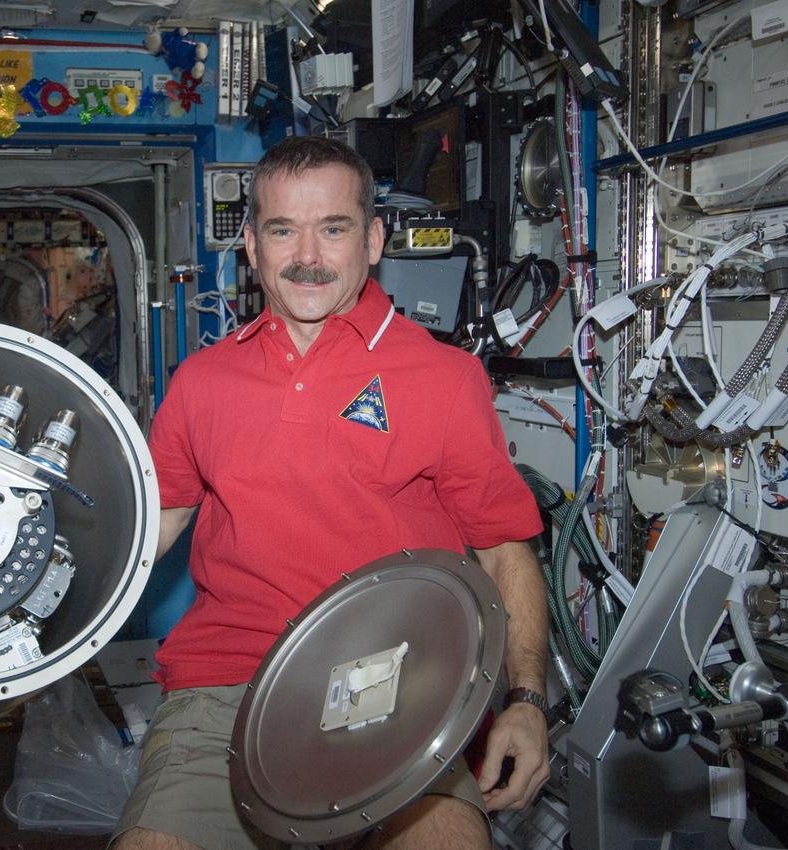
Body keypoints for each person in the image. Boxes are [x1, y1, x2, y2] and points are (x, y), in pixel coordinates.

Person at [113, 136, 550, 850]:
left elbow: (504, 549)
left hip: (402, 684)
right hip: (228, 685)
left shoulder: (443, 378)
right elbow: (148, 531)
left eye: (334, 228)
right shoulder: (202, 382)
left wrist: (528, 701)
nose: (307, 256)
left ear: (374, 240)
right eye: (283, 230)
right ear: (250, 246)